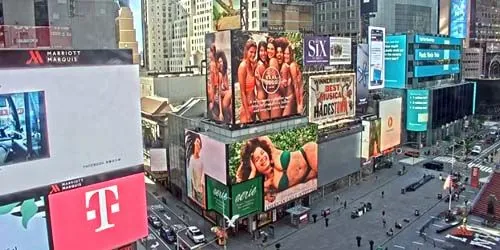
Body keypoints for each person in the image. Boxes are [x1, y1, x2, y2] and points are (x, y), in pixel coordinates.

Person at [235, 136, 318, 202]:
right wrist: (252, 170)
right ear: (253, 165)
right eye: (257, 159)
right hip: (309, 174)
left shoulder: (273, 152)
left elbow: (254, 133)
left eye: (262, 153)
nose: (262, 158)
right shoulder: (265, 184)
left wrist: (245, 159)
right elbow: (245, 194)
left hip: (308, 153)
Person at [237, 40, 257, 123]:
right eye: (251, 52)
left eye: (255, 53)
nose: (253, 54)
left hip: (254, 106)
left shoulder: (252, 65)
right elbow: (242, 93)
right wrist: (247, 113)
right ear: (246, 51)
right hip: (246, 109)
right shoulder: (242, 67)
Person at [185, 132, 205, 205]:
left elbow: (203, 179)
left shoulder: (202, 160)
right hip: (196, 192)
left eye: (199, 143)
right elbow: (191, 177)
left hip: (201, 192)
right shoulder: (191, 159)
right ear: (193, 143)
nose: (198, 144)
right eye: (197, 142)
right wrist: (192, 193)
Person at [254, 41, 270, 121]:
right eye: (261, 51)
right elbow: (268, 83)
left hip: (261, 100)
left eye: (265, 50)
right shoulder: (261, 65)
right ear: (258, 52)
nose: (263, 53)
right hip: (262, 101)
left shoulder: (263, 64)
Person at [216, 51, 232, 122]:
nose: (220, 64)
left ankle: (231, 121)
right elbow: (219, 94)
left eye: (221, 61)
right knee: (230, 92)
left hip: (225, 99)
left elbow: (228, 89)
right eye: (218, 62)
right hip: (219, 100)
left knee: (231, 107)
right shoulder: (218, 74)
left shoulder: (225, 74)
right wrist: (221, 113)